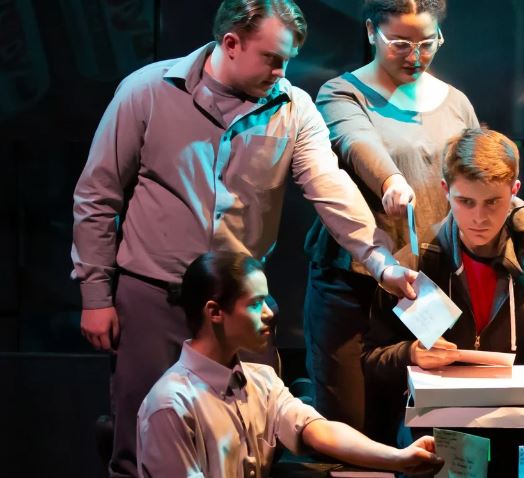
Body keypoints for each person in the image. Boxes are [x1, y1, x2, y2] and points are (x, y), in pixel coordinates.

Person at [71, 1, 418, 475]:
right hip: (154, 293)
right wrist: (96, 293)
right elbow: (97, 194)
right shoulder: (147, 92)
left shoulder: (293, 108)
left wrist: (380, 262)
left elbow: (330, 188)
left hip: (239, 305)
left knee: (257, 435)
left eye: (289, 59)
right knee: (138, 443)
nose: (282, 70)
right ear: (230, 44)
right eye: (273, 58)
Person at [363, 128, 524, 472]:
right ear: (446, 192)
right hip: (441, 423)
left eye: (493, 202)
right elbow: (372, 358)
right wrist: (411, 354)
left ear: (514, 191)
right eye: (466, 202)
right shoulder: (417, 264)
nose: (479, 217)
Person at [302, 0, 478, 438]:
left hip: (426, 291)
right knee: (353, 426)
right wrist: (391, 180)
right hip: (355, 287)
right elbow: (356, 140)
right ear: (370, 32)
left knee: (429, 428)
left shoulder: (456, 104)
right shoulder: (342, 93)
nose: (415, 56)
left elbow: (478, 174)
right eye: (400, 43)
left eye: (426, 42)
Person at [136, 251, 443, 478]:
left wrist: (399, 458)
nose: (271, 312)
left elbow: (318, 430)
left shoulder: (262, 381)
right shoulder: (171, 406)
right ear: (214, 312)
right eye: (256, 303)